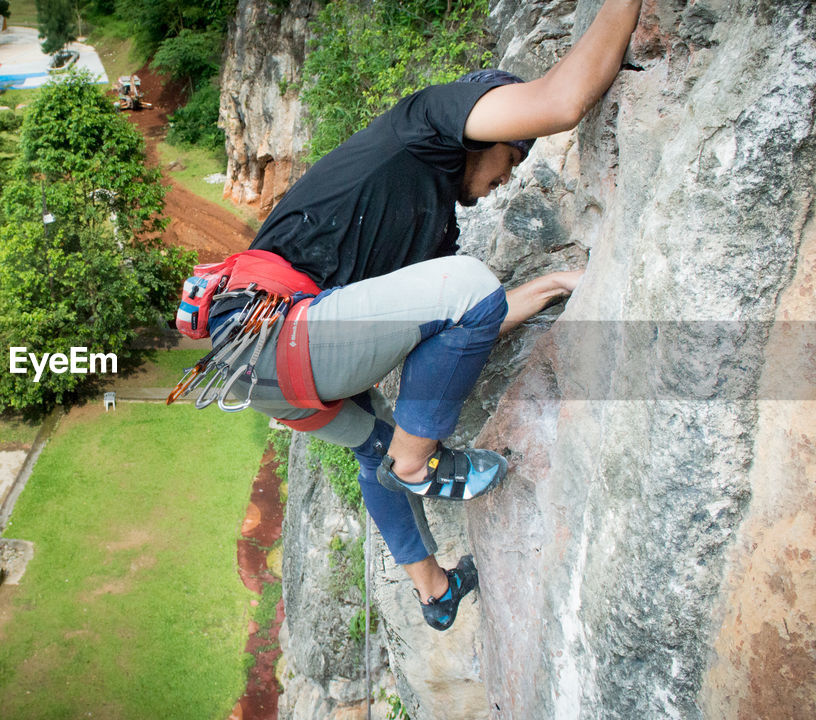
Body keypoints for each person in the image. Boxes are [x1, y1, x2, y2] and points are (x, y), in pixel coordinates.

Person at [202, 0, 641, 630]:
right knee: (410, 439)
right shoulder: (428, 119)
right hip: (273, 332)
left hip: (255, 362)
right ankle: (419, 463)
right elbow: (564, 101)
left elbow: (470, 322)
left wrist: (548, 286)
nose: (509, 179)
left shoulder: (431, 231)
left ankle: (434, 590)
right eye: (513, 160)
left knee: (378, 446)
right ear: (484, 132)